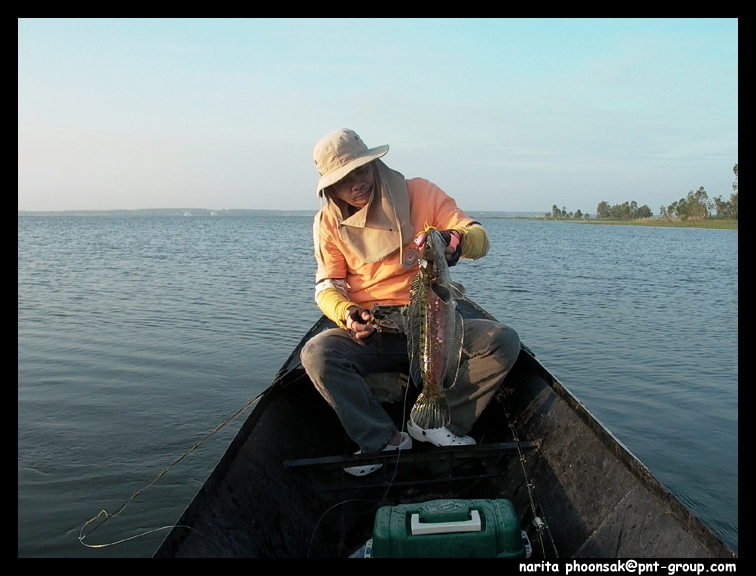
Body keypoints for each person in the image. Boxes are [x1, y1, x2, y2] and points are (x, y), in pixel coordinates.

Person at [300, 128, 521, 476]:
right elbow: (327, 287)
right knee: (317, 354)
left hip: (435, 324)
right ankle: (383, 439)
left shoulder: (419, 192)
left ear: (374, 163)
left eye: (362, 169)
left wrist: (457, 240)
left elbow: (479, 237)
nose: (357, 183)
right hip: (377, 329)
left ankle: (440, 423)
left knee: (503, 342)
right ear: (330, 187)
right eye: (345, 179)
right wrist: (346, 314)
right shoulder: (328, 223)